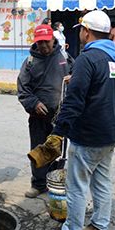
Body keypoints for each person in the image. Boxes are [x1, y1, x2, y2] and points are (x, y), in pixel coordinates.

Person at [28, 10, 115, 230]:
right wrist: (80, 78)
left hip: (88, 135)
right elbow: (113, 90)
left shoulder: (87, 59)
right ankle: (98, 229)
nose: (80, 35)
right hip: (111, 131)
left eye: (81, 31)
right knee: (102, 181)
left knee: (77, 186)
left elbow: (74, 102)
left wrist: (58, 132)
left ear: (87, 31)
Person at [18, 24, 70, 198]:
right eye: (40, 43)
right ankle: (39, 184)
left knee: (57, 151)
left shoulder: (64, 57)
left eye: (47, 42)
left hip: (60, 116)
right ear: (35, 43)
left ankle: (54, 182)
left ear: (53, 39)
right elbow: (23, 89)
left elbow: (77, 76)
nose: (44, 46)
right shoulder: (30, 62)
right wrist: (34, 103)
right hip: (38, 117)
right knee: (39, 150)